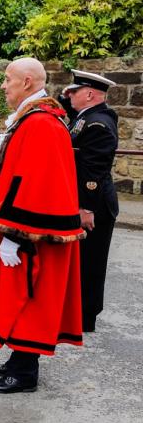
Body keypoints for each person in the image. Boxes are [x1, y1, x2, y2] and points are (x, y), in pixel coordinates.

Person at [0, 58, 85, 394]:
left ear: (27, 82)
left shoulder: (41, 123)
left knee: (28, 298)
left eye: (8, 79)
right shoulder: (32, 119)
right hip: (19, 227)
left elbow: (35, 183)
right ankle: (18, 359)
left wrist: (14, 234)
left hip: (29, 234)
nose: (3, 85)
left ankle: (25, 373)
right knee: (19, 296)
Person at [59, 70, 119, 332]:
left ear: (90, 94)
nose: (69, 94)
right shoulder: (88, 116)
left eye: (75, 91)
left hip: (94, 204)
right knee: (80, 259)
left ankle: (86, 317)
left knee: (91, 261)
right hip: (87, 200)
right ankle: (76, 312)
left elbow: (94, 170)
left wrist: (86, 208)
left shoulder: (98, 124)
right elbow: (69, 118)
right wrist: (65, 99)